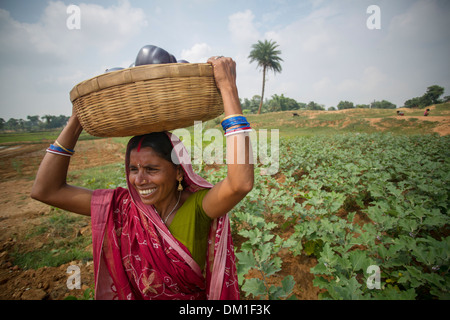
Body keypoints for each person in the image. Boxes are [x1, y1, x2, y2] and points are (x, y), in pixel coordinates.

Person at [30, 56, 254, 300]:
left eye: (151, 169)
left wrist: (228, 88)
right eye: (133, 169)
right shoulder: (122, 207)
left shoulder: (198, 207)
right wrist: (76, 120)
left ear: (180, 170)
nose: (139, 180)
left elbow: (240, 183)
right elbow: (45, 191)